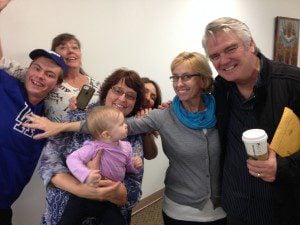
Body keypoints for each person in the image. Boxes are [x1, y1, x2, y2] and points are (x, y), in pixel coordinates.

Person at [24, 68, 157, 225]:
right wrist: (81, 189)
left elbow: (134, 187)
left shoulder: (130, 134)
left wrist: (117, 191)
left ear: (135, 103)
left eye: (130, 96)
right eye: (117, 90)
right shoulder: (76, 116)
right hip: (63, 213)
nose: (122, 98)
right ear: (106, 90)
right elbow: (48, 165)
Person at [202, 17, 300, 225]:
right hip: (236, 207)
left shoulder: (293, 83)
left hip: (283, 211)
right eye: (215, 56)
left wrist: (282, 166)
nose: (224, 61)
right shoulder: (219, 88)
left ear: (251, 44)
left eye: (230, 49)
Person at [0, 48, 66, 225]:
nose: (40, 76)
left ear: (58, 85)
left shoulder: (52, 118)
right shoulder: (5, 84)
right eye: (36, 68)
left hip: (3, 204)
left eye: (49, 74)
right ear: (27, 69)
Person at [57, 106, 143, 225]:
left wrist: (134, 165)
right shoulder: (93, 146)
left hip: (108, 198)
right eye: (121, 124)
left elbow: (127, 167)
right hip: (82, 198)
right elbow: (72, 159)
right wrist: (86, 174)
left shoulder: (127, 147)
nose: (126, 125)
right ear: (106, 134)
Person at [0, 33, 101, 122]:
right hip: (58, 140)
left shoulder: (96, 84)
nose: (70, 51)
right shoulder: (45, 80)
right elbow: (2, 61)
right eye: (63, 47)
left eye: (75, 47)